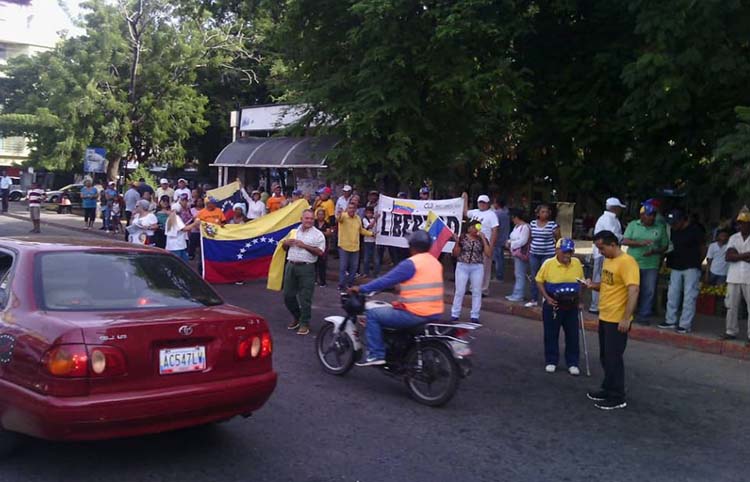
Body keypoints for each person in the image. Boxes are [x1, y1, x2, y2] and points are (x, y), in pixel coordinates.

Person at [350, 230, 444, 366]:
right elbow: (422, 283)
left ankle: (376, 354)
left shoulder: (411, 263)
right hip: (434, 313)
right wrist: (400, 288)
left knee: (372, 314)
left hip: (415, 313)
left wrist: (361, 288)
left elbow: (385, 280)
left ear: (412, 246)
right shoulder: (435, 262)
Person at [583, 230, 639, 411]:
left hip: (617, 318)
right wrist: (593, 285)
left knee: (614, 357)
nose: (600, 252)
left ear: (613, 244)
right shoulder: (609, 260)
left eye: (602, 248)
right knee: (605, 356)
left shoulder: (627, 262)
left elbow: (633, 291)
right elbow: (609, 284)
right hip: (605, 315)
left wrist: (626, 318)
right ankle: (607, 388)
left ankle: (617, 395)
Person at [536, 238, 584, 375]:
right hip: (554, 304)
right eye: (564, 252)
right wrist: (547, 298)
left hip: (571, 304)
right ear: (557, 251)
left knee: (573, 335)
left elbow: (580, 283)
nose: (567, 256)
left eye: (570, 252)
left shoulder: (576, 263)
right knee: (551, 334)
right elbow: (539, 281)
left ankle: (572, 362)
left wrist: (580, 300)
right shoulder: (549, 264)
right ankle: (551, 360)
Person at [657, 209, 706, 333]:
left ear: (683, 220)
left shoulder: (695, 230)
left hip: (691, 266)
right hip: (676, 266)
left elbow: (703, 248)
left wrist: (697, 262)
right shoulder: (673, 230)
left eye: (675, 222)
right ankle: (670, 320)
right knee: (672, 294)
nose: (673, 225)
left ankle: (685, 324)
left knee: (689, 296)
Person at [622, 203, 668, 325]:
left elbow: (665, 246)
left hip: (651, 264)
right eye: (649, 215)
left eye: (653, 215)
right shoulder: (633, 225)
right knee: (631, 289)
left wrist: (655, 251)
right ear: (642, 215)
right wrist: (640, 243)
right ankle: (627, 313)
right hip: (633, 263)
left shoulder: (660, 227)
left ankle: (644, 316)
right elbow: (624, 240)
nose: (652, 218)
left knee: (649, 291)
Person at [281, 209, 326, 336]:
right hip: (291, 265)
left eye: (311, 219)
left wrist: (304, 245)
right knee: (288, 295)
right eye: (307, 218)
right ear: (301, 219)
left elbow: (320, 252)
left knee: (305, 297)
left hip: (307, 267)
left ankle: (304, 323)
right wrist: (286, 243)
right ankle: (297, 317)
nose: (309, 221)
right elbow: (284, 248)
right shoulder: (293, 232)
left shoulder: (318, 235)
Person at [589, 197, 626, 313]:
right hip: (603, 254)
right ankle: (595, 305)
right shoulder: (608, 220)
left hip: (607, 253)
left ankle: (599, 304)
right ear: (615, 208)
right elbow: (611, 237)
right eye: (619, 208)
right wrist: (624, 238)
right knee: (600, 278)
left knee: (604, 277)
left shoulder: (610, 219)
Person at [450, 219, 491, 323]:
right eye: (473, 227)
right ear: (469, 228)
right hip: (462, 265)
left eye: (477, 227)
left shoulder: (482, 239)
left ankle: (475, 315)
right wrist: (457, 242)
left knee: (477, 291)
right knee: (460, 290)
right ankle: (455, 313)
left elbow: (488, 254)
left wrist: (483, 239)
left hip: (477, 266)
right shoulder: (463, 237)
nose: (475, 230)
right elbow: (455, 254)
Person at [721, 208, 750, 343]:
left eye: (744, 223)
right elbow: (728, 256)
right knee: (731, 306)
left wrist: (737, 255)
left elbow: (733, 255)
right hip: (733, 277)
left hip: (749, 278)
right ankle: (731, 331)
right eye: (740, 223)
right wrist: (745, 255)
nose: (741, 225)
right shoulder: (733, 237)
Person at [463, 193, 499, 297]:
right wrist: (465, 199)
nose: (481, 204)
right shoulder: (474, 212)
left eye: (484, 203)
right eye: (480, 202)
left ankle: (483, 289)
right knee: (473, 266)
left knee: (484, 267)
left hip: (484, 243)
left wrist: (491, 246)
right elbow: (465, 212)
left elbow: (495, 230)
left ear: (488, 204)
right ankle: (472, 288)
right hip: (473, 243)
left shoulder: (491, 214)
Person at [527, 204, 561, 307]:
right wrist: (528, 248)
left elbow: (558, 239)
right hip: (534, 253)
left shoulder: (553, 225)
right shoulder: (532, 224)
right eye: (542, 212)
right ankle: (534, 298)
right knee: (534, 276)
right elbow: (530, 237)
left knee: (546, 276)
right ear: (537, 213)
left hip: (548, 253)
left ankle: (546, 297)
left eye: (547, 212)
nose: (545, 214)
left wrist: (557, 251)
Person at [337, 202, 374, 289]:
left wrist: (371, 234)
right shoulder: (343, 216)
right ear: (347, 209)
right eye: (349, 208)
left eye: (353, 208)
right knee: (343, 267)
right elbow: (338, 219)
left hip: (355, 247)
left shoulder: (358, 218)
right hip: (344, 246)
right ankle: (341, 285)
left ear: (356, 209)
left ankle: (350, 284)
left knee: (354, 268)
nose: (351, 210)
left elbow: (361, 230)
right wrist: (339, 213)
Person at [506, 208, 530, 302]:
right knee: (518, 273)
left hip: (521, 253)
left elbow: (523, 241)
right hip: (515, 252)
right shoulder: (516, 227)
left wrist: (511, 244)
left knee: (520, 274)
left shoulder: (525, 227)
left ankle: (519, 294)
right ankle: (516, 292)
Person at [493, 198, 511, 282]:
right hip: (504, 237)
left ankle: (499, 276)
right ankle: (500, 275)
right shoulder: (506, 213)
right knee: (501, 258)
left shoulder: (496, 214)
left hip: (497, 238)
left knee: (498, 258)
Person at [314, 208, 333, 287]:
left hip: (323, 245)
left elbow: (329, 233)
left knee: (322, 264)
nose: (320, 216)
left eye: (322, 214)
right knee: (314, 264)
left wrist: (319, 232)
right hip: (314, 245)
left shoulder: (327, 224)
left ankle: (322, 282)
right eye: (319, 214)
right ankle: (314, 280)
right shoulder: (314, 223)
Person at [361, 206, 378, 278]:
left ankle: (376, 273)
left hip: (375, 241)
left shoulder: (376, 220)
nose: (369, 215)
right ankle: (366, 272)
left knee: (376, 259)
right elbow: (369, 227)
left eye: (371, 213)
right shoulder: (365, 219)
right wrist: (375, 219)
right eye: (368, 213)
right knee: (366, 258)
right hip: (367, 241)